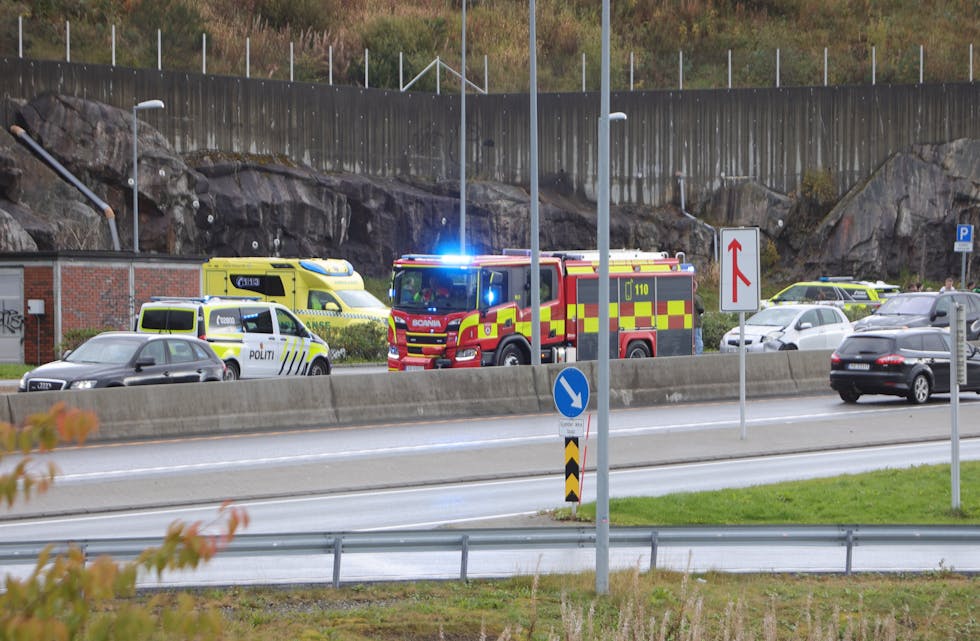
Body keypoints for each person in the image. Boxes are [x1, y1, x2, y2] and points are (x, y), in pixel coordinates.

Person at [693, 279, 705, 355]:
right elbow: (701, 309)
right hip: (696, 322)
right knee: (698, 338)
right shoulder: (696, 298)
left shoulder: (687, 297)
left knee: (695, 339)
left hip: (688, 323)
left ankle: (696, 353)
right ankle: (698, 354)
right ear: (695, 287)